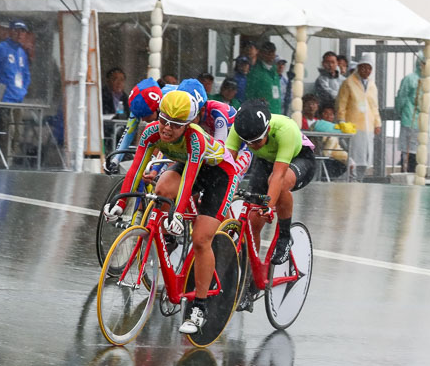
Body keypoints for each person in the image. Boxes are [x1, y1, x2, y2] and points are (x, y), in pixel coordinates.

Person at [103, 90, 240, 334]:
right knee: (163, 186)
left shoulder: (195, 138)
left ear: (188, 125)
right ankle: (169, 239)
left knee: (201, 240)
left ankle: (199, 307)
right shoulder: (151, 131)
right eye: (164, 120)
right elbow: (135, 169)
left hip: (220, 175)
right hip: (188, 164)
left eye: (176, 125)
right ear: (158, 115)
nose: (167, 129)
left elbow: (189, 180)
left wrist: (177, 212)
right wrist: (120, 204)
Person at [224, 99, 316, 311]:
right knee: (252, 223)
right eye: (250, 143)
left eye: (258, 140)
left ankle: (284, 237)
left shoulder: (285, 130)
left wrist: (268, 205)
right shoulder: (238, 130)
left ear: (267, 128)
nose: (254, 145)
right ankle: (251, 282)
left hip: (299, 160)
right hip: (266, 164)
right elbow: (226, 165)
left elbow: (277, 176)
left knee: (280, 185)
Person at [103, 77, 164, 174]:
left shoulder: (168, 104)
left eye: (145, 115)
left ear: (156, 108)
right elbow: (128, 134)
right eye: (139, 117)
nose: (143, 120)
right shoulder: (139, 107)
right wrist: (115, 161)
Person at [336, 53, 381, 181]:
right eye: (363, 67)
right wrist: (341, 120)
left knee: (366, 158)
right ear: (359, 67)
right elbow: (342, 103)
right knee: (354, 156)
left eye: (369, 68)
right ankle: (351, 180)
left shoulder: (372, 85)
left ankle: (359, 180)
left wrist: (377, 123)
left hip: (368, 126)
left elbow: (374, 106)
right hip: (353, 126)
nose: (366, 71)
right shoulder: (349, 82)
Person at [0, 20, 31, 103]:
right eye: (16, 30)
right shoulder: (0, 48)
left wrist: (22, 92)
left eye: (22, 31)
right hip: (1, 98)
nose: (19, 34)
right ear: (10, 31)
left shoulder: (22, 53)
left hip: (17, 99)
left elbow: (26, 75)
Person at [178, 78, 237, 142]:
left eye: (190, 116)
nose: (186, 121)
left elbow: (220, 148)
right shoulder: (198, 114)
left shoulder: (218, 112)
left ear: (202, 110)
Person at [395, 52, 424, 173]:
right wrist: (401, 112)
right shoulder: (410, 79)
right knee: (409, 154)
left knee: (416, 154)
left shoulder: (425, 81)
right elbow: (401, 98)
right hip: (409, 120)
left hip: (419, 123)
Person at [312, 105, 349, 180]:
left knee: (350, 162)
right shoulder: (318, 125)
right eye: (326, 113)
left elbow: (341, 145)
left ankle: (352, 180)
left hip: (335, 155)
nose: (328, 116)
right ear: (321, 114)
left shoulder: (335, 128)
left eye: (331, 114)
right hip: (323, 155)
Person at [246, 41, 282, 114]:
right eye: (268, 53)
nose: (271, 56)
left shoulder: (275, 72)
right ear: (262, 54)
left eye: (273, 53)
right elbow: (249, 94)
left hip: (276, 112)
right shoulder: (255, 72)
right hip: (262, 114)